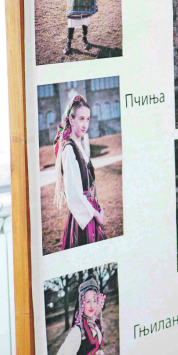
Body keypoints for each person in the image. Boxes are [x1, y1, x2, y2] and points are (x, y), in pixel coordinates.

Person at [53, 95, 107, 250]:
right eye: (81, 119)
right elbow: (74, 193)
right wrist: (96, 215)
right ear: (71, 119)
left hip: (89, 210)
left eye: (88, 119)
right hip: (83, 216)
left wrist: (97, 207)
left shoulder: (78, 145)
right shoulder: (69, 149)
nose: (85, 124)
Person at [54, 277, 106, 355]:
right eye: (88, 301)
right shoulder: (77, 332)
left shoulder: (96, 323)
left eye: (94, 301)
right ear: (81, 303)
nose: (92, 305)